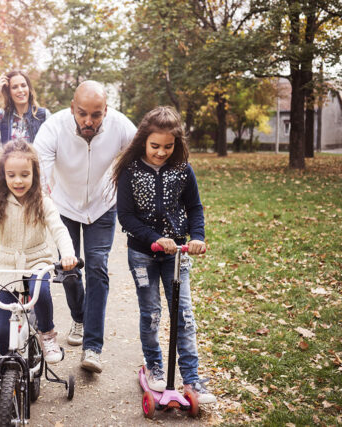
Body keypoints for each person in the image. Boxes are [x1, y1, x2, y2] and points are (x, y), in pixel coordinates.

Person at [0, 141, 78, 408]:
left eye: (24, 175)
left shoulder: (43, 202)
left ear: (34, 174)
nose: (18, 180)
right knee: (0, 329)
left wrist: (67, 255)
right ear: (3, 176)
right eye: (11, 175)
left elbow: (59, 230)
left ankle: (47, 336)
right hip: (8, 267)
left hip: (38, 261)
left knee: (42, 290)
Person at [112, 106, 216, 404]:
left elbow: (194, 208)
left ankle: (193, 379)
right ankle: (155, 366)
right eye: (155, 146)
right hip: (143, 254)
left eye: (168, 147)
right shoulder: (130, 170)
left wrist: (197, 237)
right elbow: (126, 217)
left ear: (177, 143)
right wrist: (156, 238)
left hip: (177, 255)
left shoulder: (182, 169)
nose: (161, 152)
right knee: (152, 313)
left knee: (183, 315)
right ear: (144, 140)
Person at [34, 81, 137, 373]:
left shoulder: (120, 126)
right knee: (69, 271)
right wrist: (41, 202)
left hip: (103, 205)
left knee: (97, 267)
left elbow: (144, 157)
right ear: (72, 108)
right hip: (64, 206)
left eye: (96, 114)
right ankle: (79, 316)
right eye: (82, 114)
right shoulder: (54, 128)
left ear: (106, 110)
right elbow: (38, 171)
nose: (88, 121)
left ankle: (93, 347)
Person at [0, 70, 49, 144]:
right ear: (9, 93)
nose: (20, 90)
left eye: (23, 85)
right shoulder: (3, 115)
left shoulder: (43, 114)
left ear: (29, 89)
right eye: (14, 87)